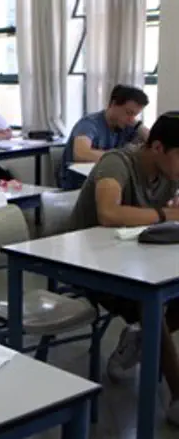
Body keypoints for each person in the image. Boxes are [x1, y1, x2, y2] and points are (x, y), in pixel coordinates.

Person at [68, 112, 179, 425]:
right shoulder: (118, 163)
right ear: (157, 147)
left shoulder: (169, 173)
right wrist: (166, 215)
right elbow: (108, 213)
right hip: (87, 265)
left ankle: (139, 339)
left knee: (163, 297)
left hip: (134, 259)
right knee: (152, 302)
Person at [60, 84, 150, 189]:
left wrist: (138, 125)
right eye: (129, 112)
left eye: (135, 115)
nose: (131, 119)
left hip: (106, 181)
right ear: (113, 104)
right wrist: (121, 158)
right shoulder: (89, 123)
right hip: (78, 184)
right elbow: (81, 154)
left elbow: (154, 145)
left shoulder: (128, 125)